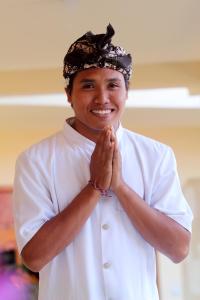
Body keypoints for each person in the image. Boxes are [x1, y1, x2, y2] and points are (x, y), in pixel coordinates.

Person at [13, 24, 193, 300]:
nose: (102, 98)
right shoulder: (36, 160)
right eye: (88, 85)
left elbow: (179, 249)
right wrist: (94, 188)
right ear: (68, 95)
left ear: (126, 93)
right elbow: (35, 258)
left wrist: (119, 186)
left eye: (113, 85)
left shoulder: (156, 155)